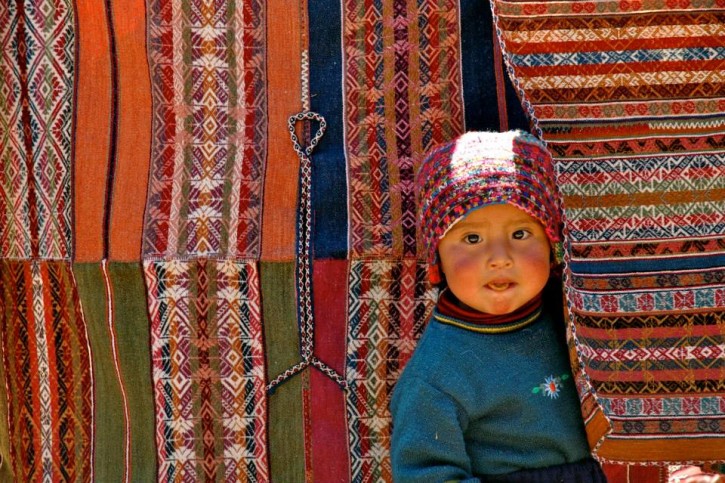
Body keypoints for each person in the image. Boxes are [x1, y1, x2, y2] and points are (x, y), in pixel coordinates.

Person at [390, 130, 606, 482]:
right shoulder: (436, 377)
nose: (500, 259)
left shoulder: (581, 319)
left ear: (552, 244)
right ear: (437, 260)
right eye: (472, 238)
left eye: (521, 234)